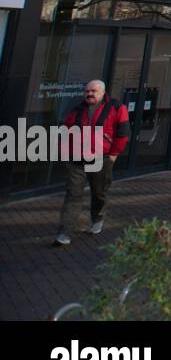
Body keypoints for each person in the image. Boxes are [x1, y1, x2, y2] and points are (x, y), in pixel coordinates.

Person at [54, 80, 130, 246]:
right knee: (73, 195)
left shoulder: (116, 108)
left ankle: (97, 218)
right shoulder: (77, 110)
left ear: (103, 93)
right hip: (76, 160)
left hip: (101, 158)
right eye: (87, 91)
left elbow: (123, 133)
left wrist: (113, 155)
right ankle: (64, 233)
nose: (89, 94)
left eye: (94, 91)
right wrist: (64, 152)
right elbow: (65, 131)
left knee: (99, 192)